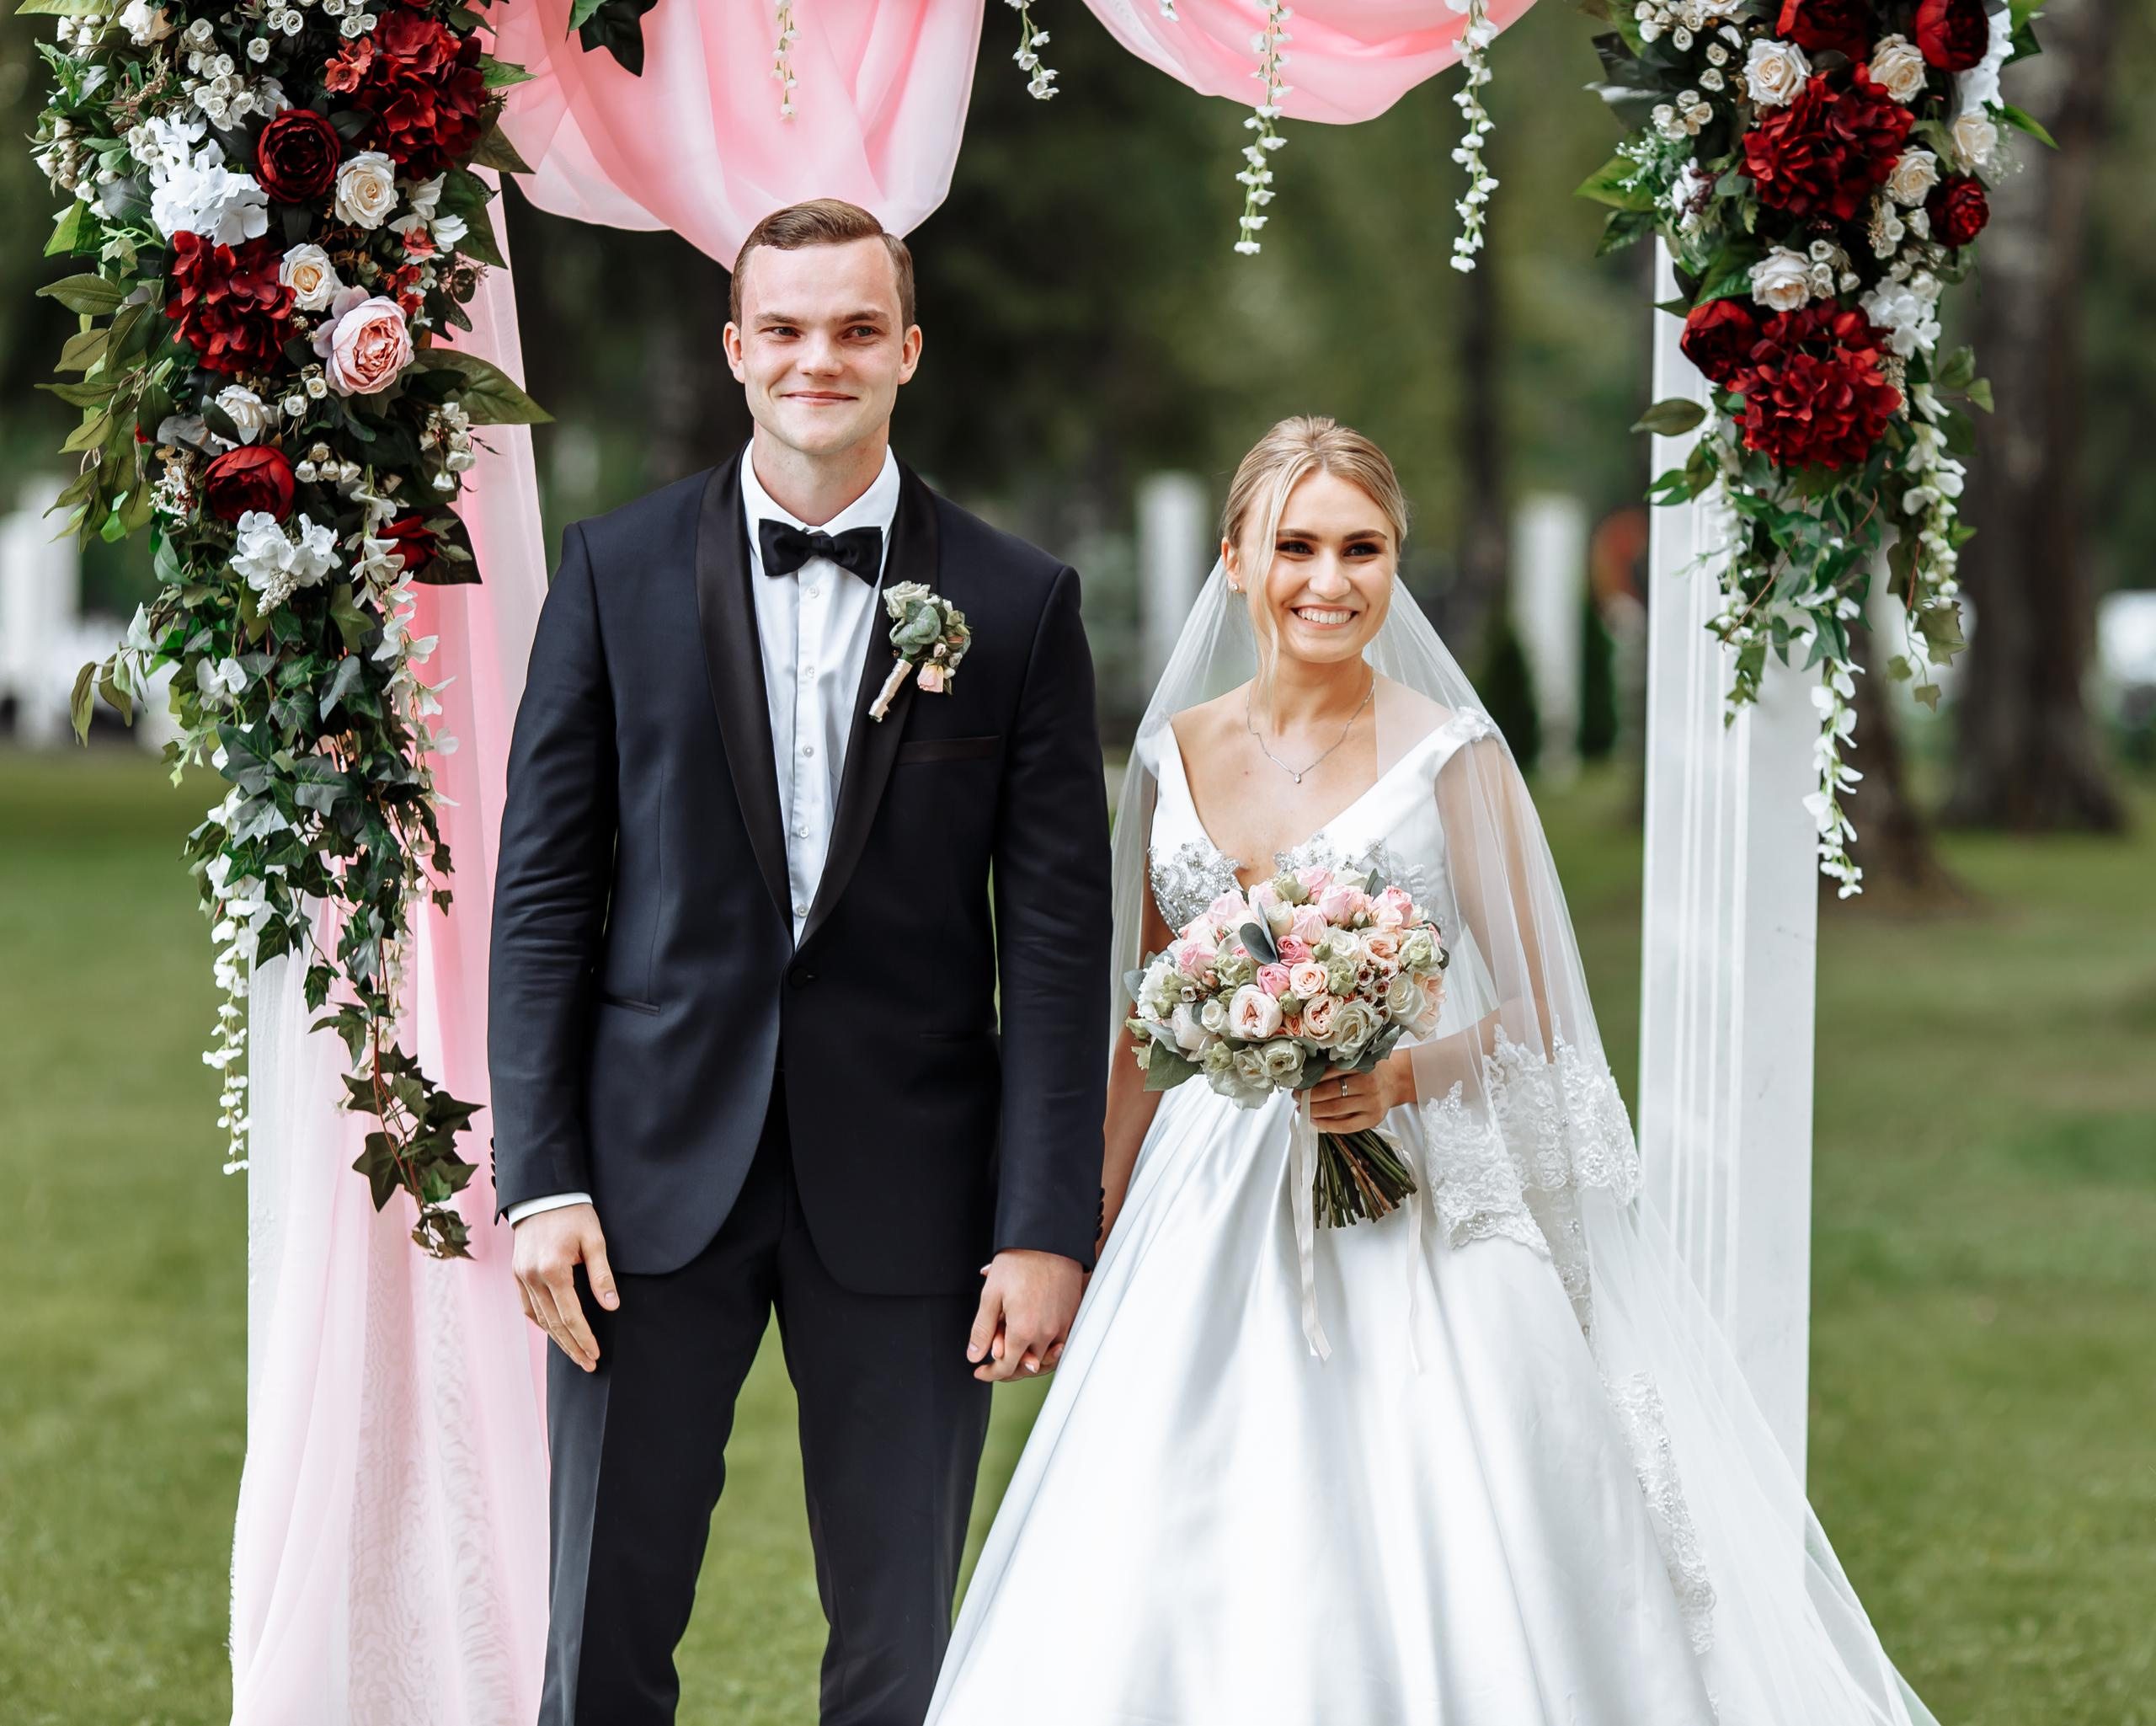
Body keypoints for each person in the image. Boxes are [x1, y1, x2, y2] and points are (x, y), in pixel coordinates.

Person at [927, 416, 1938, 1725]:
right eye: (1295, 546)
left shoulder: (1450, 754)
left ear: (1397, 562)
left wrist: (1404, 1078)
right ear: (1235, 561)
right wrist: (1082, 1219)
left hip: (1412, 1199)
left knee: (1453, 1520)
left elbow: (1543, 1011)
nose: (1328, 580)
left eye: (1363, 548)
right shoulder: (1170, 754)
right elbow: (1144, 1019)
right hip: (1205, 1204)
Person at [487, 198, 1111, 1726]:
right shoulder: (614, 571)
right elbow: (546, 894)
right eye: (784, 328)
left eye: (851, 329)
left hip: (914, 1194)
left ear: (908, 347)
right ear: (734, 350)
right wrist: (542, 1176)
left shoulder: (1021, 604)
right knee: (604, 1636)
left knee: (901, 1649)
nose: (815, 358)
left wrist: (1044, 1222)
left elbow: (1052, 940)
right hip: (644, 1190)